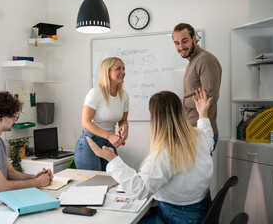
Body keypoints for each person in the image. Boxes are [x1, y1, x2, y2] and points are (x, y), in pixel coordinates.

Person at [87, 88, 214, 224]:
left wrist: (111, 159)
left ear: (156, 118)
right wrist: (203, 113)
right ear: (180, 112)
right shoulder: (200, 136)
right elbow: (208, 134)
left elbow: (140, 190)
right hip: (202, 209)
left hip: (177, 217)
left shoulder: (166, 153)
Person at [172, 23, 222, 151]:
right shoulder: (192, 62)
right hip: (192, 129)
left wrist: (180, 103)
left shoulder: (204, 59)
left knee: (197, 171)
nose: (181, 47)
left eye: (184, 41)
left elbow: (209, 97)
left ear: (194, 39)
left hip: (201, 130)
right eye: (177, 43)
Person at [74, 57, 129, 171]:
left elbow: (123, 120)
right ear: (107, 72)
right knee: (93, 185)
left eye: (123, 68)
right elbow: (86, 122)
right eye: (118, 69)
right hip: (90, 143)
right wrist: (109, 136)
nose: (123, 72)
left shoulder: (124, 95)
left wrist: (124, 127)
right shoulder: (95, 93)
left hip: (109, 143)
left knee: (112, 180)